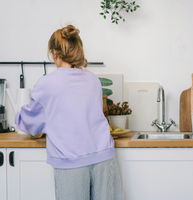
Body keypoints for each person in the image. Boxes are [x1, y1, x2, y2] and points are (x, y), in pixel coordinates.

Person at [15, 25, 124, 200]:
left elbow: (31, 124)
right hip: (104, 158)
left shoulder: (47, 83)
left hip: (71, 162)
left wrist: (19, 117)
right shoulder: (93, 80)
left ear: (54, 54)